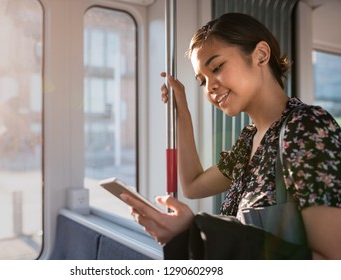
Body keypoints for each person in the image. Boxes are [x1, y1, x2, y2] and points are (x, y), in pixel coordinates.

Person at [121, 13, 341, 259]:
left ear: (260, 55)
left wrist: (195, 232)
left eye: (217, 67)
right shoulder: (248, 142)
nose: (210, 86)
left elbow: (332, 260)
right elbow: (193, 185)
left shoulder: (305, 126)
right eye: (202, 81)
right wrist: (181, 109)